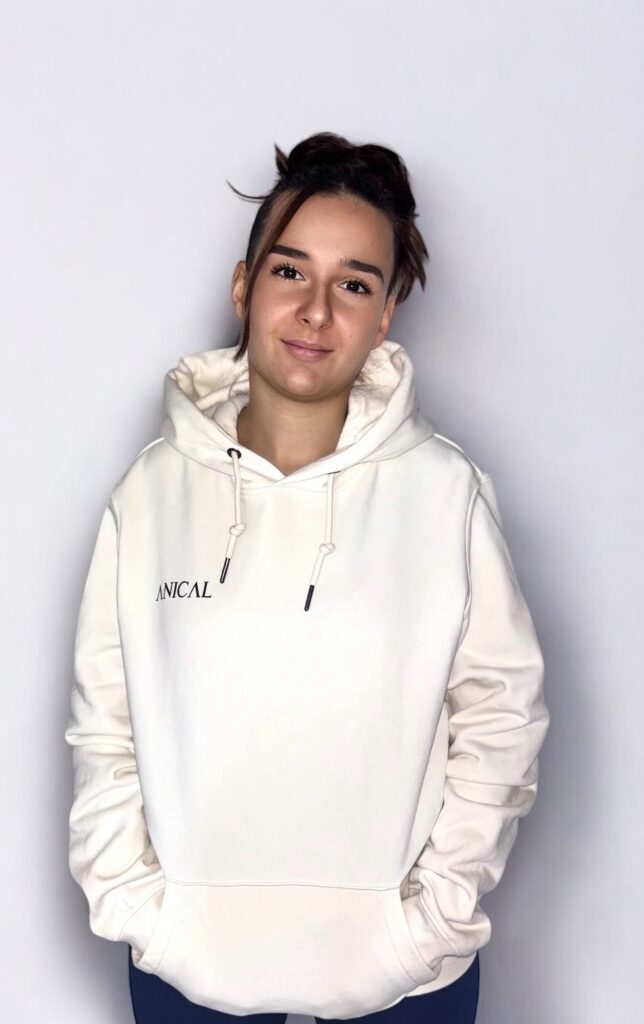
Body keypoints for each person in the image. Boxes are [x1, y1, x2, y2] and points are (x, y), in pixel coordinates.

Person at [64, 131, 550, 1024]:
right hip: (188, 968)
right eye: (290, 272)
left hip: (405, 976)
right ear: (243, 287)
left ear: (386, 312)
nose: (316, 311)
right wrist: (141, 911)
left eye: (354, 284)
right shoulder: (150, 493)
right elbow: (107, 727)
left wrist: (429, 921)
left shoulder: (446, 493)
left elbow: (501, 717)